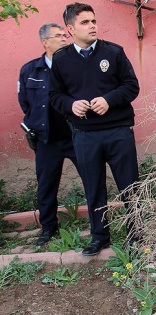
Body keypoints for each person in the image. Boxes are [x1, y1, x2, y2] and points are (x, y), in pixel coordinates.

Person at [49, 2, 140, 256]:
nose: (92, 26)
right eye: (85, 22)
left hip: (118, 131)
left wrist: (108, 99)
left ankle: (137, 235)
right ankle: (100, 236)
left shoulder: (114, 53)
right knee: (93, 187)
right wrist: (71, 105)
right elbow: (55, 95)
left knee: (129, 185)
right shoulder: (61, 59)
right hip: (85, 135)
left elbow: (132, 86)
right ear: (70, 29)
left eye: (93, 21)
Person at [18, 23, 79, 246]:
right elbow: (25, 103)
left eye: (66, 35)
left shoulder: (75, 66)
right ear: (45, 42)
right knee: (46, 185)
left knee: (92, 179)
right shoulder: (30, 70)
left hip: (76, 136)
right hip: (46, 139)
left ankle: (99, 224)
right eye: (59, 36)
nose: (65, 38)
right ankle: (48, 228)